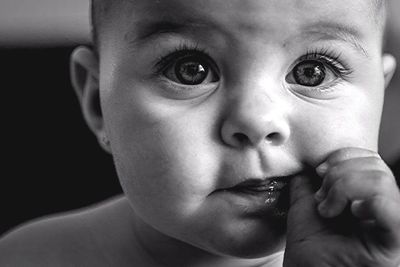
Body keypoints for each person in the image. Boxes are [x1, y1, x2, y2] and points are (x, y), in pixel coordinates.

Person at [0, 0, 399, 266]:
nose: (257, 122)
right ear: (96, 102)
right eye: (191, 70)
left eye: (312, 72)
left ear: (380, 96)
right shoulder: (33, 257)